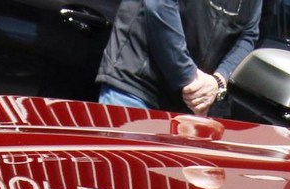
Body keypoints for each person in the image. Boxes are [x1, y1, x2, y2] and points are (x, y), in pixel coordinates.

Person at [96, 0, 262, 116]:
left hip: (191, 104)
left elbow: (249, 34)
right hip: (137, 86)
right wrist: (189, 79)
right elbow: (160, 5)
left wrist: (219, 80)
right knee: (129, 158)